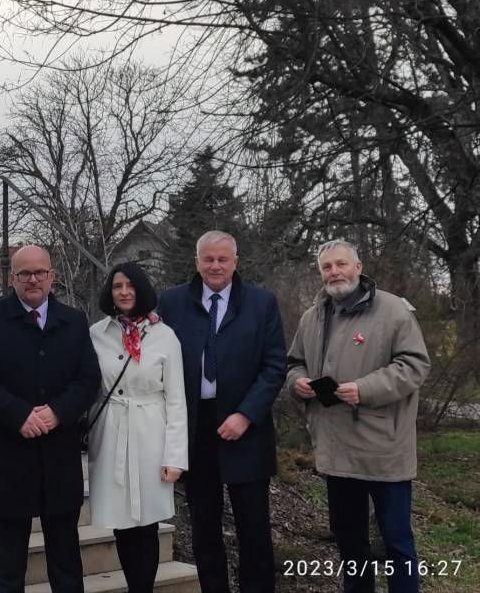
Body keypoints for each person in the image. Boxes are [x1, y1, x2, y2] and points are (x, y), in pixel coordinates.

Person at [287, 240, 430, 593]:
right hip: (336, 450)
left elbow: (414, 365)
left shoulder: (393, 310)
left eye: (341, 264)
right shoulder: (311, 317)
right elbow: (294, 363)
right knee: (350, 541)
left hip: (384, 449)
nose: (334, 272)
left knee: (396, 541)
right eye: (327, 267)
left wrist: (365, 389)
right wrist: (297, 382)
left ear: (358, 267)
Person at [0, 245, 101, 593]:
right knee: (8, 570)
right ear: (12, 278)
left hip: (59, 460)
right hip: (7, 460)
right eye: (24, 273)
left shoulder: (74, 321)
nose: (33, 279)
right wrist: (19, 414)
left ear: (52, 276)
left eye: (40, 272)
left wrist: (58, 412)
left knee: (66, 567)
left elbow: (88, 379)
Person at [159, 230, 286, 593]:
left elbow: (274, 366)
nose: (215, 266)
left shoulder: (261, 303)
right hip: (195, 428)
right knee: (204, 527)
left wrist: (245, 415)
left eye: (223, 259)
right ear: (197, 262)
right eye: (208, 259)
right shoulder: (171, 303)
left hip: (247, 429)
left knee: (254, 528)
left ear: (235, 262)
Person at [88, 262, 187, 593]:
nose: (124, 292)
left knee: (146, 523)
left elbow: (176, 399)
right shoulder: (97, 334)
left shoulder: (164, 336)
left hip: (150, 436)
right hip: (110, 434)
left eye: (130, 285)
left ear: (141, 289)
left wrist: (175, 456)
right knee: (121, 523)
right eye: (117, 286)